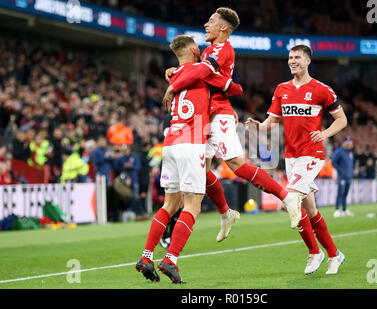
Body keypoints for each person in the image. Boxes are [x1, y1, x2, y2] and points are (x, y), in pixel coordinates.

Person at [163, 7, 302, 241]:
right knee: (202, 171)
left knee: (236, 163)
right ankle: (226, 213)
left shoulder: (222, 49)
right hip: (204, 115)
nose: (206, 25)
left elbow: (203, 73)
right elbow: (198, 74)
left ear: (223, 27)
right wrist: (177, 71)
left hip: (219, 113)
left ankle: (286, 197)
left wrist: (174, 84)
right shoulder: (208, 49)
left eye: (211, 21)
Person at [136, 35, 243, 284]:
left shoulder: (176, 75)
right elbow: (235, 89)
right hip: (191, 142)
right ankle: (171, 258)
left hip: (170, 143)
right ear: (195, 50)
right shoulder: (200, 71)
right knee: (192, 206)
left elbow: (180, 79)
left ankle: (146, 256)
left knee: (169, 205)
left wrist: (171, 80)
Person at [246, 44, 348, 275]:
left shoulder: (322, 90)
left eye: (297, 57)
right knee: (309, 209)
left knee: (290, 200)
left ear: (307, 61)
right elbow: (271, 122)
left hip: (312, 153)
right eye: (290, 57)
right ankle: (333, 254)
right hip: (291, 156)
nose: (292, 61)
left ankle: (314, 253)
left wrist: (324, 134)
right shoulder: (282, 89)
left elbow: (341, 120)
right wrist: (258, 127)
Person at [332, 136, 355, 218]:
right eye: (348, 143)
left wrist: (352, 172)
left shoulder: (350, 152)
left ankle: (344, 210)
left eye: (350, 143)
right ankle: (337, 210)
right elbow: (333, 163)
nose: (350, 144)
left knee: (345, 193)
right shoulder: (339, 152)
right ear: (344, 143)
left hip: (349, 176)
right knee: (340, 193)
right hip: (342, 177)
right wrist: (340, 171)